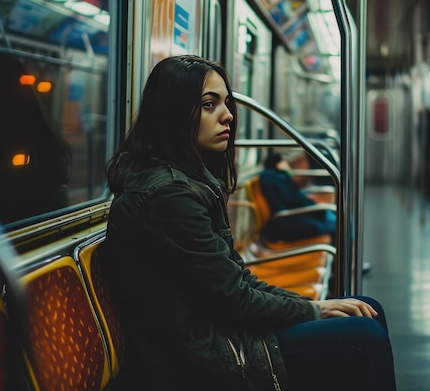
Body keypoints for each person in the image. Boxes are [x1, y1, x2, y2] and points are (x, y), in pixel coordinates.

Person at [100, 55, 397, 391]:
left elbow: (235, 281)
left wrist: (312, 307)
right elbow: (235, 298)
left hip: (215, 334)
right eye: (209, 104)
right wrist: (312, 310)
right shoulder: (167, 196)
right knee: (362, 337)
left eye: (226, 102)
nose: (227, 115)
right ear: (174, 112)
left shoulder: (185, 183)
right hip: (199, 358)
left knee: (367, 311)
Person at [258, 152, 337, 243]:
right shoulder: (276, 178)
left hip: (293, 218)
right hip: (290, 225)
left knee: (338, 223)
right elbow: (294, 200)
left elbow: (294, 199)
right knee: (341, 228)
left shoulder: (274, 178)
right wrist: (317, 209)